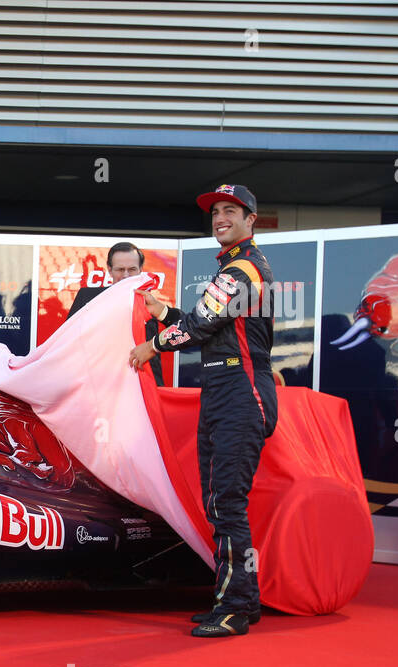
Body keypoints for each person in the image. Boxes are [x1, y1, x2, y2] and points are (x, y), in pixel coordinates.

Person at [128, 184, 276, 638]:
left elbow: (201, 325)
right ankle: (241, 599)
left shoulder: (244, 266)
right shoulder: (232, 267)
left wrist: (152, 345)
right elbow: (205, 325)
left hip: (240, 394)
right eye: (215, 213)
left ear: (251, 218)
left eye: (230, 211)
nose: (220, 219)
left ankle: (232, 609)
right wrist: (165, 311)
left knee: (227, 502)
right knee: (219, 501)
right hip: (224, 391)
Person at [70, 242, 164, 385]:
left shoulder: (148, 304)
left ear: (140, 270)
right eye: (120, 269)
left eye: (132, 269)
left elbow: (151, 358)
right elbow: (67, 343)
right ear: (109, 269)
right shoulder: (87, 297)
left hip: (129, 385)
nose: (126, 275)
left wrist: (157, 392)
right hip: (91, 385)